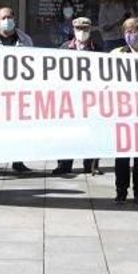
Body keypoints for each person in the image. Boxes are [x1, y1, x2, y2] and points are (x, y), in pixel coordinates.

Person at [0, 6, 36, 176]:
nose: (7, 20)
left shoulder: (25, 40)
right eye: (3, 17)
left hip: (19, 92)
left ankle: (18, 161)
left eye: (10, 16)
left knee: (18, 128)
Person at [110, 16, 138, 205]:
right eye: (127, 32)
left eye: (135, 32)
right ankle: (121, 191)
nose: (131, 35)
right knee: (121, 157)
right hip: (122, 112)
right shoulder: (116, 54)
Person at [52, 16, 102, 177]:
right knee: (67, 132)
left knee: (93, 132)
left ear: (90, 30)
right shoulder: (64, 48)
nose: (82, 32)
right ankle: (64, 165)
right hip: (69, 98)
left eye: (85, 29)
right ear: (73, 30)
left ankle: (91, 165)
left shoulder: (98, 49)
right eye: (79, 29)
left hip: (91, 98)